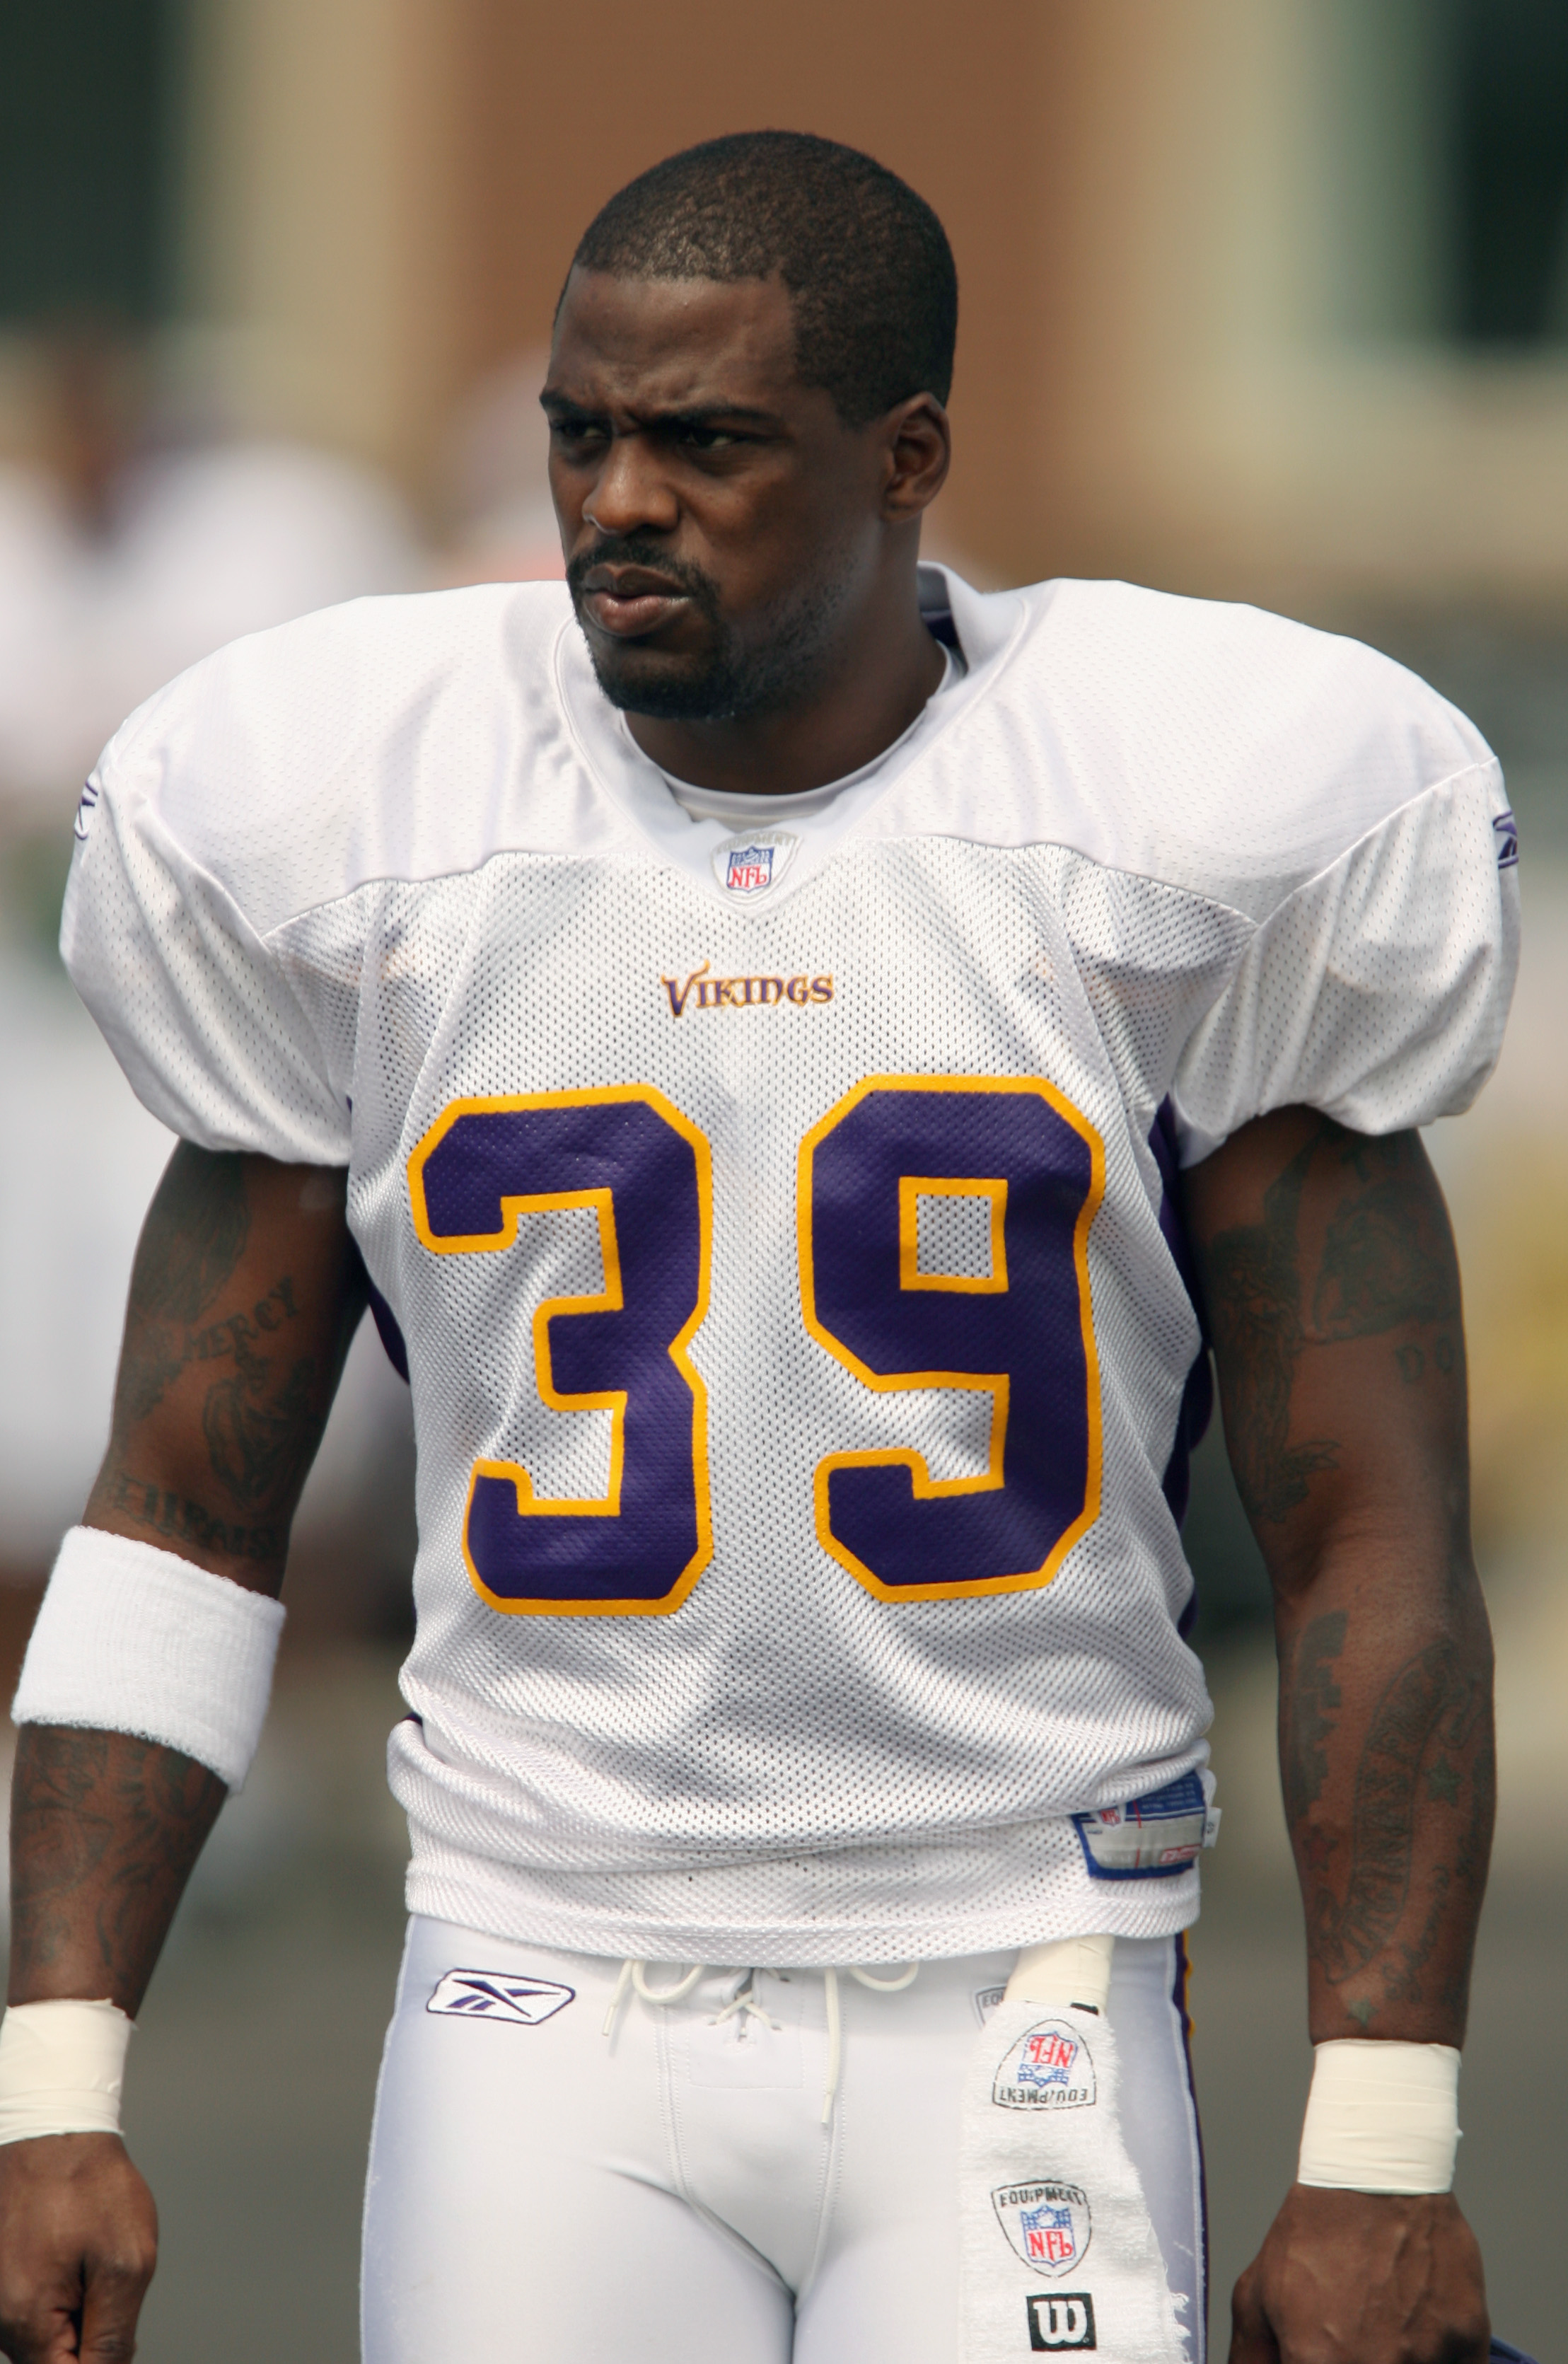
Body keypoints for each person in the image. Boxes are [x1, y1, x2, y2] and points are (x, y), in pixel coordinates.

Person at [0, 132, 1518, 2364]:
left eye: (704, 444)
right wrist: (52, 2085)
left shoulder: (1180, 819)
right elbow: (180, 1517)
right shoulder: (364, 820)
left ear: (904, 459)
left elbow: (1369, 1530)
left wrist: (1381, 2149)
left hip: (1024, 1966)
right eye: (580, 434)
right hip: (536, 1971)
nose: (618, 503)